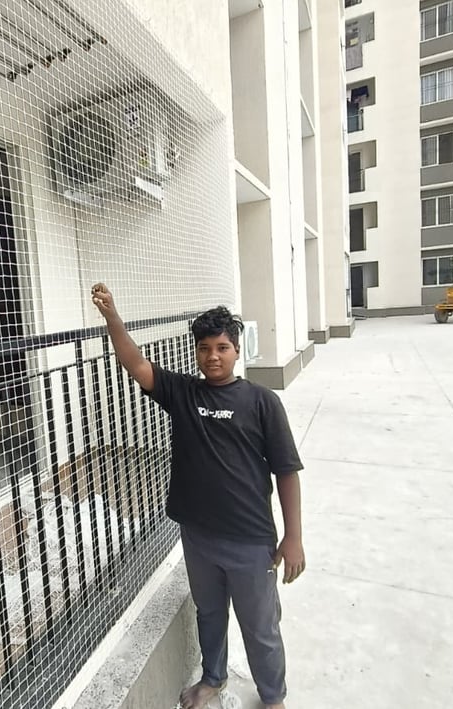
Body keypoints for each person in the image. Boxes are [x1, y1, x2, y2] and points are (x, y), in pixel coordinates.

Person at [90, 283, 305, 709]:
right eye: (204, 347)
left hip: (250, 540)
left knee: (260, 626)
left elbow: (287, 472)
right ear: (196, 352)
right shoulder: (185, 394)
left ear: (237, 351)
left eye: (222, 347)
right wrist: (113, 317)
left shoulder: (262, 402)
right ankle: (213, 678)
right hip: (199, 536)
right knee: (209, 615)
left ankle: (274, 697)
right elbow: (135, 364)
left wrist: (293, 536)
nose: (213, 356)